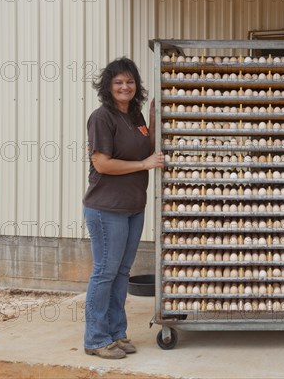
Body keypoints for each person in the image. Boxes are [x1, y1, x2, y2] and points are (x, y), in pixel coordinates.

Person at [83, 57, 164, 359]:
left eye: (130, 81)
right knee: (105, 272)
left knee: (121, 273)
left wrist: (154, 118)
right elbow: (102, 163)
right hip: (107, 208)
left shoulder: (135, 116)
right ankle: (96, 338)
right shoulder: (101, 118)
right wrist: (144, 164)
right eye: (118, 82)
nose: (125, 86)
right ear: (108, 86)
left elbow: (148, 147)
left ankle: (117, 333)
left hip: (133, 207)